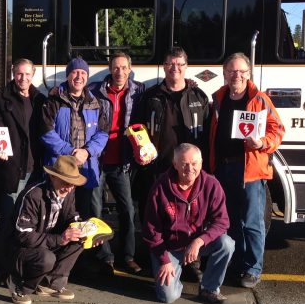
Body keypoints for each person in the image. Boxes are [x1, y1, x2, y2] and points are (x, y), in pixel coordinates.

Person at [208, 52, 285, 289]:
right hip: (223, 169)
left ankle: (253, 269)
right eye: (231, 71)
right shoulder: (219, 98)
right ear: (224, 74)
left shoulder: (260, 100)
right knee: (230, 222)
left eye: (241, 71)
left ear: (249, 74)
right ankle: (237, 264)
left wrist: (262, 143)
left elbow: (278, 130)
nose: (236, 76)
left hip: (250, 170)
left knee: (252, 223)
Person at [132, 47, 210, 281]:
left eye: (179, 64)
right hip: (158, 168)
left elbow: (207, 135)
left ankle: (192, 262)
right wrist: (140, 152)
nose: (174, 68)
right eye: (170, 64)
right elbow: (137, 128)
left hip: (190, 171)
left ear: (186, 67)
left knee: (192, 216)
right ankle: (155, 257)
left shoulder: (199, 97)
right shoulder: (151, 96)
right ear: (164, 66)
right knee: (154, 216)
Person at [40, 57, 110, 273]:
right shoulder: (53, 100)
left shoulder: (95, 103)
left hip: (86, 169)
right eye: (74, 73)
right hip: (60, 170)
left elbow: (103, 133)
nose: (78, 77)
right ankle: (54, 260)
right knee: (58, 216)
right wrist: (70, 152)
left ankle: (80, 261)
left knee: (83, 215)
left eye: (83, 73)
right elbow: (46, 132)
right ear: (68, 75)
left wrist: (87, 152)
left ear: (87, 78)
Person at [143, 143, 234, 304]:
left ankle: (209, 288)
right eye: (184, 164)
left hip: (197, 243)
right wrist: (164, 260)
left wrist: (199, 241)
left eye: (194, 163)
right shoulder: (160, 188)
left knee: (227, 243)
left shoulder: (212, 185)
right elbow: (151, 230)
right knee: (167, 297)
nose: (190, 168)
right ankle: (174, 277)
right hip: (170, 246)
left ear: (201, 163)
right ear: (175, 164)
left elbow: (222, 222)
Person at [87, 52, 145, 274]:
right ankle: (105, 256)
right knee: (96, 210)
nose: (120, 72)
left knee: (127, 210)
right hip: (97, 161)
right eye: (116, 67)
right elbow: (72, 84)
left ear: (130, 69)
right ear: (110, 69)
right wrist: (56, 88)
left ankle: (128, 256)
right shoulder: (94, 90)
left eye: (124, 67)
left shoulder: (139, 91)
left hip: (122, 162)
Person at [6, 155, 87, 304]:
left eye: (73, 184)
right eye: (65, 182)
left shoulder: (68, 192)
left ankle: (50, 284)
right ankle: (20, 286)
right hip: (20, 249)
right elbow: (23, 236)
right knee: (46, 258)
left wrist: (85, 230)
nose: (69, 188)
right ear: (52, 177)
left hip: (47, 242)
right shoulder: (33, 194)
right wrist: (60, 239)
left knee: (81, 239)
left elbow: (71, 216)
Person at [0, 58, 43, 281]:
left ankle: (24, 268)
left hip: (35, 170)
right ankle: (3, 269)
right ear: (13, 73)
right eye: (19, 74)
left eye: (27, 74)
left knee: (30, 225)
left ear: (34, 75)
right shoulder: (0, 99)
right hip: (11, 169)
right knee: (8, 221)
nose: (23, 78)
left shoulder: (40, 99)